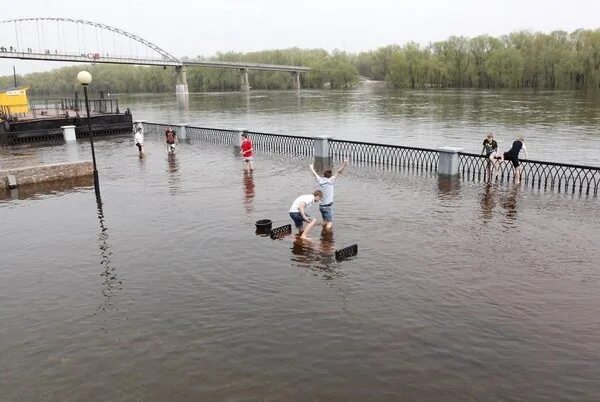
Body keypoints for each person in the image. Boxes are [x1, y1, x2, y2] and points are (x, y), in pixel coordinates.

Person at [309, 159, 349, 230]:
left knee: (324, 221)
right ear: (330, 176)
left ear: (324, 175)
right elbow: (338, 171)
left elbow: (315, 173)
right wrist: (344, 164)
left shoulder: (320, 180)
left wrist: (311, 167)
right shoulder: (331, 180)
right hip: (327, 206)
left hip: (321, 206)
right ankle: (326, 234)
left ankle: (323, 233)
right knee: (329, 222)